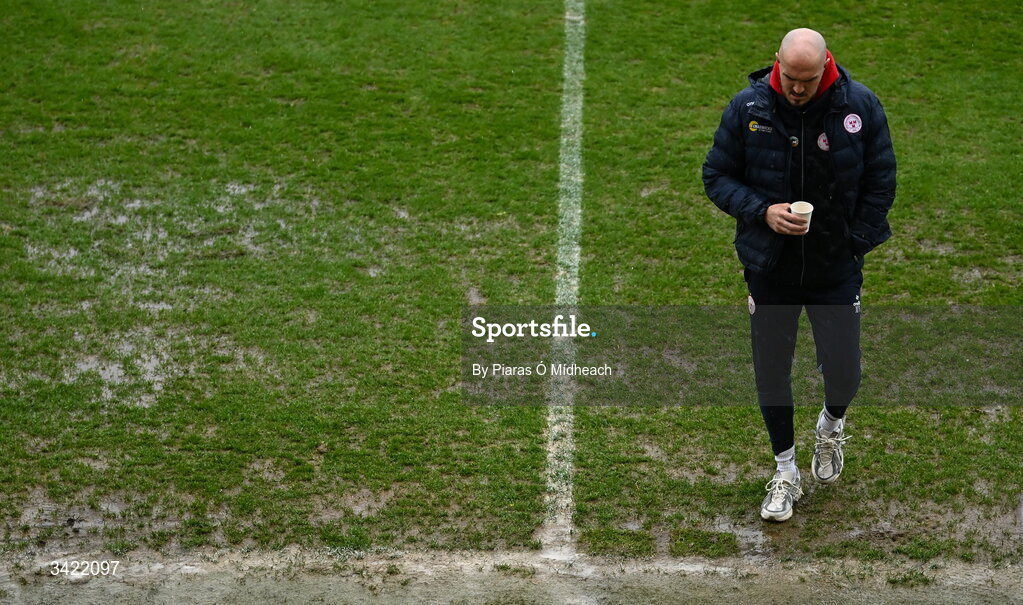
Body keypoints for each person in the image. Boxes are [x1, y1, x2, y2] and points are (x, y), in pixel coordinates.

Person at [702, 28, 896, 522]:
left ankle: (830, 427)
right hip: (770, 266)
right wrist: (763, 210)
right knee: (772, 371)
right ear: (777, 65)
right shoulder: (749, 108)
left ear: (825, 66)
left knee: (845, 370)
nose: (796, 89)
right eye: (789, 78)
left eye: (807, 81)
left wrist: (854, 244)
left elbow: (881, 179)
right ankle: (785, 472)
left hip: (836, 267)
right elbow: (716, 175)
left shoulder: (861, 106)